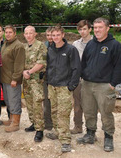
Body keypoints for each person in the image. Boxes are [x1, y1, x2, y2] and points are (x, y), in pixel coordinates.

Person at [77, 17, 121, 152]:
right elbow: (84, 62)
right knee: (89, 111)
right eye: (95, 27)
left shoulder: (115, 45)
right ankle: (90, 134)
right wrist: (83, 77)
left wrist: (113, 84)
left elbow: (119, 66)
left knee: (106, 113)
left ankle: (108, 137)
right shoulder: (90, 44)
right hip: (88, 84)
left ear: (107, 28)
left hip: (105, 86)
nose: (97, 30)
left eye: (100, 27)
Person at [45, 25, 81, 153]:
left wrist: (71, 85)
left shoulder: (71, 49)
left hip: (64, 87)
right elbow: (48, 66)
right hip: (52, 86)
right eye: (53, 35)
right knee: (54, 111)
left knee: (63, 114)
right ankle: (57, 132)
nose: (55, 37)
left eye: (58, 35)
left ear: (63, 35)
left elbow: (76, 68)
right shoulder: (50, 49)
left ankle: (65, 141)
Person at [22, 26, 47, 142]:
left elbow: (41, 63)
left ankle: (40, 129)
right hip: (26, 80)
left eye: (30, 33)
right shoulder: (24, 47)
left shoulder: (40, 46)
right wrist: (23, 72)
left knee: (37, 103)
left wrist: (29, 72)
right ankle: (34, 123)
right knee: (29, 102)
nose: (28, 35)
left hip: (36, 80)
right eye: (26, 33)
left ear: (35, 34)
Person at [1, 25, 25, 133]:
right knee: (8, 100)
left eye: (10, 32)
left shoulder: (18, 46)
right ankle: (11, 119)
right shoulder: (5, 44)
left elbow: (19, 64)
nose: (8, 34)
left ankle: (15, 123)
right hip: (5, 78)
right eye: (6, 32)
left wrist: (15, 78)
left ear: (15, 33)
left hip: (12, 80)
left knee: (14, 100)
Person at [70, 20, 93, 134]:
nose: (82, 31)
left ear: (90, 29)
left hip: (92, 80)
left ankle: (91, 130)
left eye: (84, 29)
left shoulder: (96, 42)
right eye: (80, 29)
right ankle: (78, 126)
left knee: (90, 106)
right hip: (79, 79)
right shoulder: (75, 44)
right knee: (77, 105)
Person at [43, 27, 54, 130]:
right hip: (46, 78)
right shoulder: (44, 46)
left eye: (51, 35)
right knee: (46, 102)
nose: (50, 37)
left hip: (56, 79)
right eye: (47, 35)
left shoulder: (60, 46)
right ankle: (48, 123)